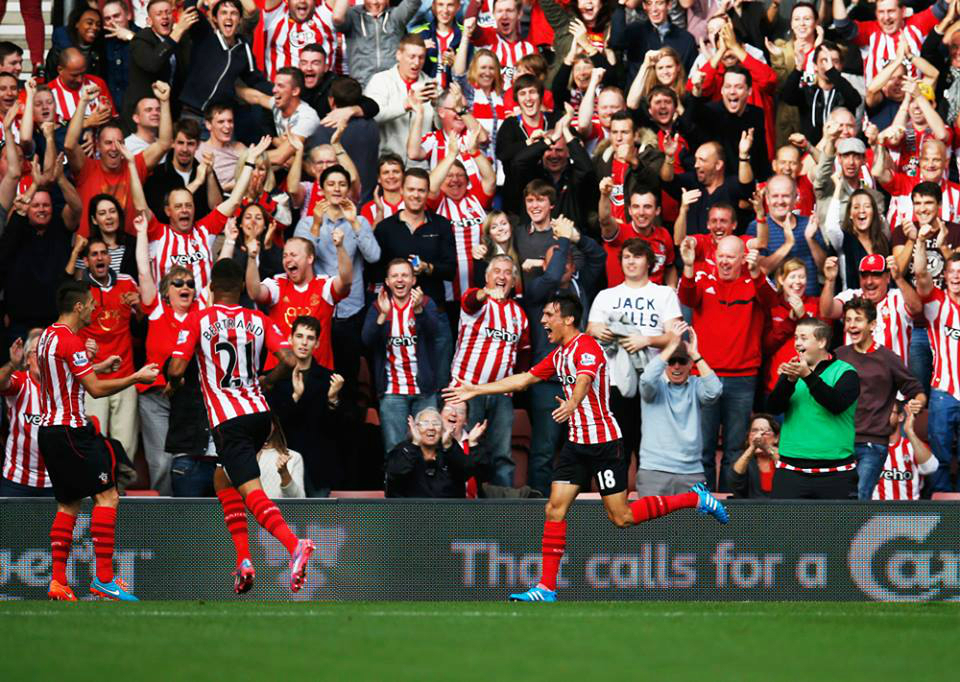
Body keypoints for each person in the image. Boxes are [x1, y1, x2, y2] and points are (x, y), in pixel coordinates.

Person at [444, 293, 728, 603]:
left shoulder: (587, 347)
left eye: (549, 315)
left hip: (604, 444)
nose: (543, 321)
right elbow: (524, 379)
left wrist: (572, 403)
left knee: (622, 517)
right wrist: (476, 389)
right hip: (576, 446)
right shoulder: (558, 355)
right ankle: (546, 588)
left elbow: (583, 380)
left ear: (567, 319)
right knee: (554, 508)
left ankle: (694, 498)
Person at [167, 259, 316, 595]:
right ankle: (243, 560)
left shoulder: (199, 319)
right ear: (240, 288)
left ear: (211, 288)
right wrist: (268, 380)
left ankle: (294, 544)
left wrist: (174, 383)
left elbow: (175, 368)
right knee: (223, 478)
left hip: (228, 420)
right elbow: (289, 359)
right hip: (260, 415)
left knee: (252, 493)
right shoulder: (258, 319)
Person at [38, 279, 160, 601]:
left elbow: (68, 375)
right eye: (91, 304)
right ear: (78, 307)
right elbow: (94, 389)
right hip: (72, 430)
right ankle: (104, 578)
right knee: (107, 495)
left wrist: (100, 366)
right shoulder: (71, 341)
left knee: (68, 504)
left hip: (49, 432)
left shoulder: (47, 336)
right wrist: (135, 377)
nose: (95, 309)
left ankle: (58, 581)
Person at [678, 235, 778, 491]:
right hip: (704, 375)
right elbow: (687, 298)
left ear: (742, 259)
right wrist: (688, 267)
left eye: (730, 257)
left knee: (734, 449)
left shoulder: (754, 281)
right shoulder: (703, 278)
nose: (724, 261)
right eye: (720, 256)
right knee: (703, 449)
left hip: (742, 378)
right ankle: (703, 503)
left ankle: (731, 504)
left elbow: (772, 302)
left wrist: (756, 273)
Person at [587, 239, 682, 464]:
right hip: (615, 383)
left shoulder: (664, 294)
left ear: (649, 262)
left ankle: (646, 489)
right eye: (627, 257)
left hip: (653, 381)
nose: (631, 262)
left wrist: (646, 340)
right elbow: (590, 329)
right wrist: (599, 330)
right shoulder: (606, 295)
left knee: (649, 451)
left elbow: (675, 338)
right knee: (617, 451)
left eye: (637, 257)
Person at [449, 255, 529, 487]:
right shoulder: (477, 301)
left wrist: (516, 383)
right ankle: (461, 504)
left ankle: (503, 506)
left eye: (508, 273)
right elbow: (470, 301)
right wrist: (486, 293)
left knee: (501, 455)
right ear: (487, 277)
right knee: (462, 447)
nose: (502, 276)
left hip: (501, 394)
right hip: (467, 389)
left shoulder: (519, 314)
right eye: (497, 271)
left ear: (514, 281)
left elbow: (524, 352)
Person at [836, 296, 926, 500]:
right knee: (839, 498)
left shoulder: (888, 358)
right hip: (840, 442)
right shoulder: (838, 355)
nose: (852, 325)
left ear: (872, 325)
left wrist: (917, 403)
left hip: (872, 443)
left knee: (860, 496)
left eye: (858, 319)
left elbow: (916, 390)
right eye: (848, 320)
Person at [134, 211, 198, 495]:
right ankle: (164, 514)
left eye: (190, 284)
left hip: (188, 397)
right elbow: (144, 271)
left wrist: (230, 241)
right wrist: (141, 233)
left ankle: (185, 511)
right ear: (166, 291)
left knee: (185, 461)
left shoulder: (201, 312)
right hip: (155, 396)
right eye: (179, 283)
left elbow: (219, 279)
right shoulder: (158, 309)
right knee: (161, 462)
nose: (185, 287)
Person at [767, 318, 860, 499]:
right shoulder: (792, 371)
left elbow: (836, 404)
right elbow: (773, 408)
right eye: (796, 338)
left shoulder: (846, 372)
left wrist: (808, 376)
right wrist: (788, 381)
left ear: (822, 342)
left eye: (803, 338)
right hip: (790, 471)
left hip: (836, 473)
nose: (797, 343)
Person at [363, 258, 449, 452]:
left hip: (424, 391)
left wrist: (418, 311)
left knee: (429, 450)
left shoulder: (426, 303)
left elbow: (434, 332)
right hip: (392, 391)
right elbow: (367, 340)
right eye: (395, 276)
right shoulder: (378, 306)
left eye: (405, 275)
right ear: (387, 281)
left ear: (413, 280)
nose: (400, 280)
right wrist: (383, 314)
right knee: (395, 451)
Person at [65, 81, 171, 237]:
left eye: (119, 143)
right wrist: (83, 102)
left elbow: (164, 143)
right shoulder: (87, 167)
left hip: (127, 248)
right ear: (98, 146)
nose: (114, 148)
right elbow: (69, 145)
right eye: (108, 143)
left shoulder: (134, 165)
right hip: (91, 247)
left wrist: (165, 101)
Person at [75, 236, 142, 466]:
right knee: (94, 443)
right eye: (94, 254)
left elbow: (143, 324)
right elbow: (69, 328)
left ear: (110, 258)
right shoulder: (80, 290)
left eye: (103, 253)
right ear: (86, 261)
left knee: (126, 446)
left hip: (125, 375)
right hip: (93, 378)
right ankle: (98, 486)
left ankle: (120, 486)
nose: (100, 258)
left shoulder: (127, 283)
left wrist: (139, 307)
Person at [637, 320, 721, 496]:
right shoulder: (655, 385)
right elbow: (647, 379)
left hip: (691, 472)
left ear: (690, 364)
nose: (676, 366)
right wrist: (671, 345)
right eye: (671, 361)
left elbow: (714, 391)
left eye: (681, 361)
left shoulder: (696, 385)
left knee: (693, 517)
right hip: (654, 470)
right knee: (651, 516)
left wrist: (696, 355)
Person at [266, 316, 344, 497]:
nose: (304, 342)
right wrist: (295, 396)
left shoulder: (330, 379)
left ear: (317, 343)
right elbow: (272, 423)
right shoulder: (273, 378)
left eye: (310, 338)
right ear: (290, 339)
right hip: (281, 463)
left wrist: (332, 399)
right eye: (299, 336)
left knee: (318, 516)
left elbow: (337, 431)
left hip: (317, 467)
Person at [913, 241, 960, 493]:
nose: (956, 277)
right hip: (943, 392)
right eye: (952, 271)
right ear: (945, 275)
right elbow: (921, 274)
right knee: (939, 459)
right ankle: (943, 509)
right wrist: (921, 242)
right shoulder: (937, 303)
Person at [364, 34, 437, 161]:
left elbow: (441, 129)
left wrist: (438, 105)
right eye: (412, 56)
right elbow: (372, 116)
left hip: (420, 166)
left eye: (421, 57)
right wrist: (405, 105)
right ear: (399, 55)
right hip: (387, 163)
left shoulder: (430, 85)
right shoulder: (380, 80)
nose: (417, 62)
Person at [123, 1, 196, 123]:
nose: (165, 17)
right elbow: (153, 64)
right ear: (149, 21)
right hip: (141, 114)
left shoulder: (180, 39)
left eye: (168, 12)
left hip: (170, 111)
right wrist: (177, 32)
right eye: (159, 14)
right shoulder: (141, 40)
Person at [0, 332, 53, 497]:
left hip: (56, 480)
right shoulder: (21, 381)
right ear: (28, 359)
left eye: (47, 353)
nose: (43, 358)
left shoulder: (62, 386)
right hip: (17, 480)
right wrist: (12, 364)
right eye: (38, 352)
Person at [385, 406, 478, 497]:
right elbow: (394, 473)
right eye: (425, 423)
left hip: (448, 506)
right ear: (415, 428)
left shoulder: (450, 446)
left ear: (442, 430)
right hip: (411, 506)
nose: (431, 428)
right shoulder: (405, 448)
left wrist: (448, 446)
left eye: (436, 424)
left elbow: (467, 472)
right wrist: (415, 444)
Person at [333, 0, 423, 87]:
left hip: (392, 86)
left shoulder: (395, 16)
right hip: (361, 85)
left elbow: (413, 2)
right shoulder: (353, 15)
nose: (374, 2)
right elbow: (337, 18)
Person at [874, 402, 938, 500]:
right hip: (875, 509)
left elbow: (931, 468)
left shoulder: (913, 446)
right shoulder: (868, 447)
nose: (884, 416)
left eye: (889, 412)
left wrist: (909, 431)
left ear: (900, 417)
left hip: (909, 509)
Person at [729, 414, 780, 499]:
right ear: (748, 436)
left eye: (765, 431)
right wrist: (752, 447)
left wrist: (766, 447)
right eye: (754, 431)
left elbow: (788, 468)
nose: (759, 436)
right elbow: (735, 481)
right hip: (750, 506)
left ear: (776, 438)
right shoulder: (741, 457)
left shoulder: (783, 456)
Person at [256, 419, 306, 499]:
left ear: (274, 425)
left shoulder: (293, 457)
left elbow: (299, 499)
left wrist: (284, 473)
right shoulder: (243, 457)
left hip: (280, 508)